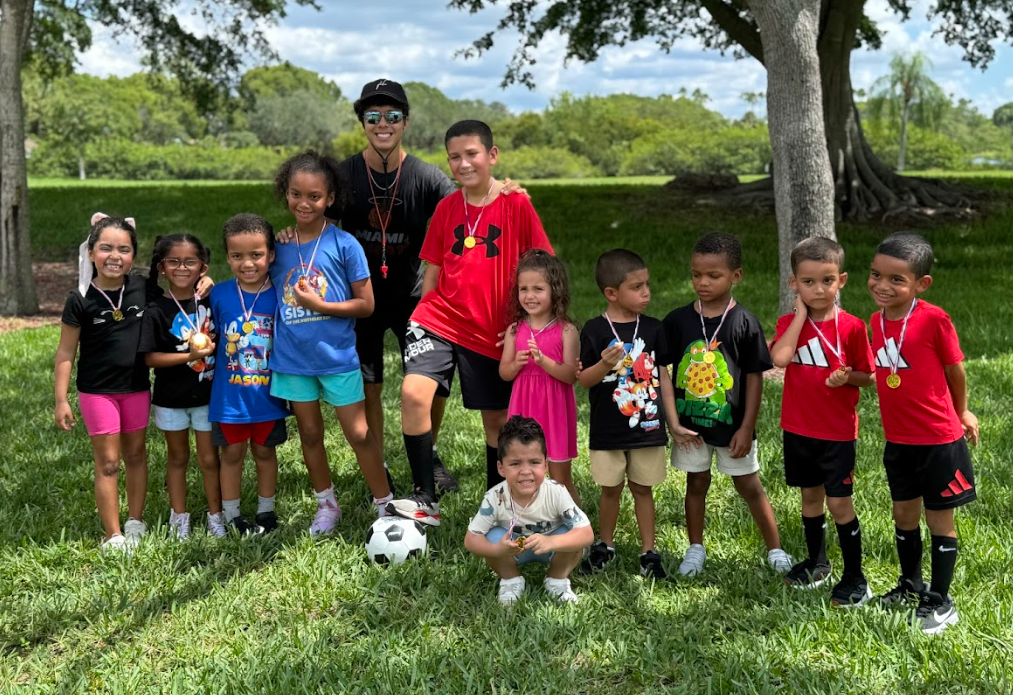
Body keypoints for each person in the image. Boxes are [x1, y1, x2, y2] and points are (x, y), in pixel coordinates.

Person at [388, 120, 553, 527]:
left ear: (492, 156)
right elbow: (433, 266)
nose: (463, 163)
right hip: (439, 319)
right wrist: (419, 315)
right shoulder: (447, 208)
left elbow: (542, 267)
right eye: (455, 157)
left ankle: (494, 503)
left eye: (472, 154)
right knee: (413, 393)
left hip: (493, 330)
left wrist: (527, 324)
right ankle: (426, 496)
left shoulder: (516, 204)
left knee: (496, 422)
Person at [328, 79, 460, 493]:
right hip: (360, 298)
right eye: (372, 116)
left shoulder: (427, 177)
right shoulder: (343, 175)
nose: (382, 123)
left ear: (406, 122)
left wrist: (504, 193)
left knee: (432, 383)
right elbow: (316, 220)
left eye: (392, 116)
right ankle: (377, 461)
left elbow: (467, 209)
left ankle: (429, 453)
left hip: (415, 297)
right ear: (361, 121)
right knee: (369, 382)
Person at [269, 150, 392, 536]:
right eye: (295, 194)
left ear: (331, 198)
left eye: (314, 196)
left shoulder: (345, 245)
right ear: (285, 193)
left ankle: (385, 504)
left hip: (336, 359)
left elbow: (366, 304)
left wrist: (319, 304)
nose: (304, 204)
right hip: (293, 360)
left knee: (358, 433)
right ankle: (327, 504)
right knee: (309, 434)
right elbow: (249, 274)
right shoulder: (278, 246)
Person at [664, 231, 793, 577]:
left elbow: (753, 376)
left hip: (733, 426)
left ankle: (776, 550)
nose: (702, 282)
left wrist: (747, 426)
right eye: (696, 274)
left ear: (736, 276)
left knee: (749, 485)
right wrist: (672, 420)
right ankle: (695, 549)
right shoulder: (677, 321)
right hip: (691, 427)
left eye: (713, 275)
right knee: (696, 484)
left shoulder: (744, 321)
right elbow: (663, 368)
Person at [868, 232, 979, 635]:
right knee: (903, 515)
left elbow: (955, 369)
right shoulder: (876, 321)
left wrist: (962, 410)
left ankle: (941, 601)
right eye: (876, 275)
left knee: (939, 520)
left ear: (921, 284)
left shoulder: (934, 319)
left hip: (938, 440)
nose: (883, 285)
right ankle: (912, 585)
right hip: (899, 442)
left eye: (897, 279)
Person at [769, 238, 875, 606]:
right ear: (793, 284)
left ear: (841, 280)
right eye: (808, 282)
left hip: (837, 433)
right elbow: (780, 359)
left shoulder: (852, 327)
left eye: (827, 280)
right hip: (798, 429)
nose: (819, 289)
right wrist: (799, 316)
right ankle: (817, 562)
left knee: (840, 504)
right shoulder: (789, 323)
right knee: (809, 498)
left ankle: (855, 576)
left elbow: (869, 374)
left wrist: (849, 378)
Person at [577, 249, 686, 579]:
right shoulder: (595, 330)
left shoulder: (653, 329)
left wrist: (673, 421)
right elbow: (584, 380)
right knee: (610, 489)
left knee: (643, 488)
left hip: (648, 426)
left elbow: (662, 375)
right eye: (637, 287)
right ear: (612, 293)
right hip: (608, 430)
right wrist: (604, 363)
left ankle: (648, 552)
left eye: (647, 284)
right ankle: (605, 545)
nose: (646, 292)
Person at [54, 214, 151, 551]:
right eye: (106, 248)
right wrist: (61, 398)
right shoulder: (80, 298)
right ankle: (113, 534)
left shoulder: (141, 287)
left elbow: (179, 294)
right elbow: (66, 351)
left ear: (133, 256)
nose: (115, 256)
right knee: (108, 462)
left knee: (137, 454)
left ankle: (135, 522)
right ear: (90, 253)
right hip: (97, 393)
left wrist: (204, 283)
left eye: (124, 249)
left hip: (137, 388)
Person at [208, 213, 290, 534]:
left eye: (256, 255)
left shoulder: (281, 293)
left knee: (265, 452)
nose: (247, 263)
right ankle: (231, 516)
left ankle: (266, 513)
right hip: (229, 398)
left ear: (270, 255)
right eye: (237, 256)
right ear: (227, 257)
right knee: (232, 454)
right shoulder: (218, 294)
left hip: (269, 396)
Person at [139, 233, 223, 539]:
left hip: (206, 395)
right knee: (177, 458)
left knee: (209, 459)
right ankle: (179, 517)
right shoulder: (155, 309)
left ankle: (216, 516)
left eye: (191, 261)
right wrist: (189, 355)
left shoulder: (212, 300)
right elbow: (149, 358)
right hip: (169, 398)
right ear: (162, 267)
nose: (182, 268)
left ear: (202, 266)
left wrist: (211, 281)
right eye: (173, 261)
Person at [464, 416, 593, 605]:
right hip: (512, 549)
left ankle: (557, 580)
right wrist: (496, 549)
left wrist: (552, 541)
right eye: (515, 464)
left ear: (546, 465)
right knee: (491, 536)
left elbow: (587, 534)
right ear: (501, 468)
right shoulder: (494, 498)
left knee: (573, 536)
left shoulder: (557, 492)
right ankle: (511, 580)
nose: (526, 471)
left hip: (552, 548)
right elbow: (471, 539)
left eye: (534, 462)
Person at [499, 249, 580, 505]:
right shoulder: (515, 330)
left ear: (554, 290)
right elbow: (504, 373)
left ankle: (576, 528)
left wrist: (544, 362)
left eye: (538, 289)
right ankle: (529, 525)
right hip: (524, 408)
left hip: (554, 410)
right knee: (524, 475)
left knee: (559, 478)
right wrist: (516, 364)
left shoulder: (566, 331)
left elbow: (570, 376)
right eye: (524, 289)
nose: (530, 296)